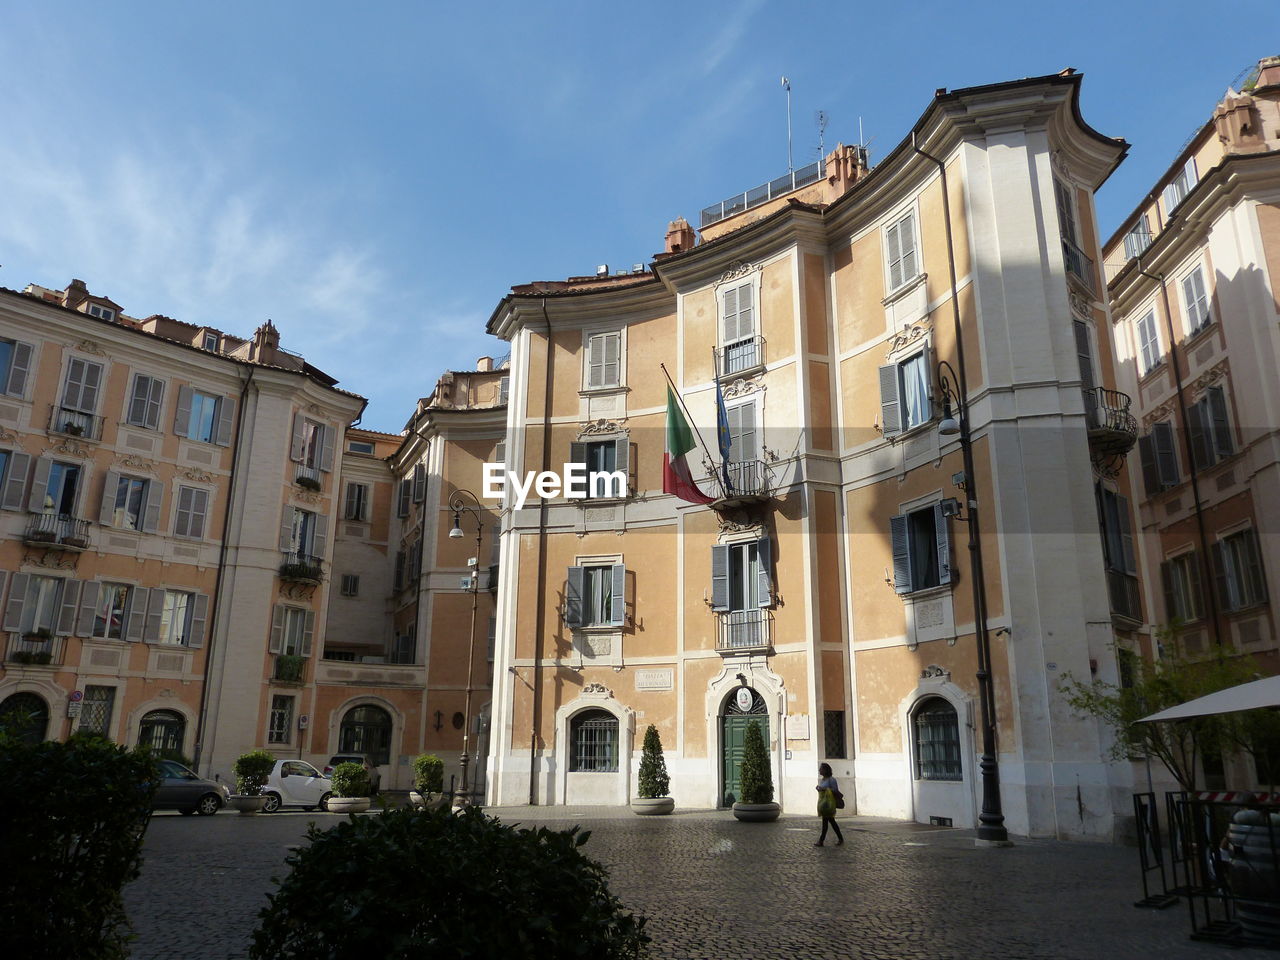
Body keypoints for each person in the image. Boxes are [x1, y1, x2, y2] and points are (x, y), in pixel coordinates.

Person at [815, 762, 843, 846]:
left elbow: (835, 790)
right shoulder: (822, 780)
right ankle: (840, 838)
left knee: (827, 822)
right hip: (824, 803)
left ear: (826, 770)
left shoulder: (832, 780)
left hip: (829, 804)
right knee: (831, 822)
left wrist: (824, 789)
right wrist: (819, 789)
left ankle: (821, 841)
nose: (819, 770)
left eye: (821, 769)